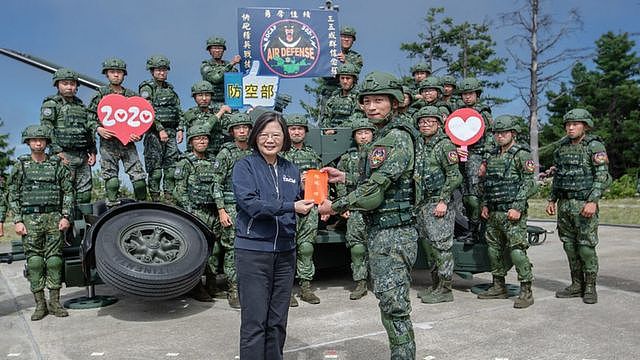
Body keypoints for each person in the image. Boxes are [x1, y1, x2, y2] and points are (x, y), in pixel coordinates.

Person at [319, 71, 419, 359]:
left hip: (393, 235)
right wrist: (345, 177)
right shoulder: (385, 136)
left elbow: (375, 190)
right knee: (390, 305)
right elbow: (382, 180)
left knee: (395, 307)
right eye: (367, 101)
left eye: (379, 100)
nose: (371, 106)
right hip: (384, 233)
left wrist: (335, 207)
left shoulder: (396, 138)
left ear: (395, 102)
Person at [232, 111, 314, 359]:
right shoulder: (244, 166)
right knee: (255, 321)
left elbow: (300, 203)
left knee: (277, 320)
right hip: (253, 252)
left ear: (285, 138)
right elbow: (251, 204)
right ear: (256, 136)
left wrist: (315, 197)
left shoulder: (291, 169)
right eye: (265, 134)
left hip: (285, 252)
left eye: (276, 134)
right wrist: (291, 206)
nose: (270, 140)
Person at [7, 125, 74, 321]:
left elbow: (68, 192)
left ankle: (55, 303)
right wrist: (17, 220)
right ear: (27, 142)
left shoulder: (56, 165)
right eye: (34, 140)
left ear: (47, 142)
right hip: (30, 219)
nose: (38, 143)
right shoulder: (20, 166)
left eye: (42, 140)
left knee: (54, 261)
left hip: (53, 217)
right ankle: (40, 305)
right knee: (35, 263)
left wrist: (65, 216)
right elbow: (12, 194)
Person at [546, 109, 611, 304]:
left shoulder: (594, 146)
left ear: (585, 125)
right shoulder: (562, 147)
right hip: (565, 204)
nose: (571, 127)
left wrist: (592, 201)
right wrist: (552, 199)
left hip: (584, 204)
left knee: (586, 246)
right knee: (569, 246)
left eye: (575, 124)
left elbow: (602, 176)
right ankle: (576, 284)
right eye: (568, 124)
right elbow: (559, 176)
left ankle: (590, 286)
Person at [477, 115, 537, 308]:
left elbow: (530, 183)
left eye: (504, 133)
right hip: (494, 212)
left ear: (513, 133)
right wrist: (486, 204)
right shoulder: (492, 155)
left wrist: (517, 207)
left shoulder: (521, 154)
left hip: (512, 213)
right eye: (497, 133)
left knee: (517, 251)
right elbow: (488, 183)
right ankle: (498, 286)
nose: (500, 136)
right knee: (493, 251)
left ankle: (526, 291)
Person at [413, 106, 462, 304]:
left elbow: (454, 176)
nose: (425, 125)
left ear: (438, 124)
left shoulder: (445, 145)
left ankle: (445, 288)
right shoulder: (421, 145)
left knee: (441, 247)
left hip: (438, 203)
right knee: (429, 246)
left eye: (430, 121)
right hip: (423, 204)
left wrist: (443, 200)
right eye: (422, 122)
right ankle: (435, 284)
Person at [88, 57, 147, 206]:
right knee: (112, 180)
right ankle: (112, 206)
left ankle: (143, 206)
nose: (116, 75)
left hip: (128, 144)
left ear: (124, 75)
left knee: (139, 180)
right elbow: (89, 117)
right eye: (112, 72)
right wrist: (98, 128)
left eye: (119, 72)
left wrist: (139, 134)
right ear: (107, 74)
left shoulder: (132, 96)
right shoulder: (101, 94)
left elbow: (143, 118)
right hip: (108, 144)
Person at [172, 125, 220, 302]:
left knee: (214, 250)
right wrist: (189, 212)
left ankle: (212, 284)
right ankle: (196, 286)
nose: (202, 141)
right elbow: (180, 189)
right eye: (198, 138)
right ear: (191, 141)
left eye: (205, 138)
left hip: (213, 210)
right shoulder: (185, 162)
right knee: (199, 251)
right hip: (196, 212)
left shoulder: (213, 161)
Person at [212, 113, 253, 308]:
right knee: (232, 249)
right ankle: (233, 289)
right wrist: (221, 210)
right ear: (232, 132)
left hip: (252, 207)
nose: (242, 130)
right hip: (231, 205)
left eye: (245, 127)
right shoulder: (226, 153)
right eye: (238, 128)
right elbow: (217, 183)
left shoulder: (255, 152)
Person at [282, 114, 323, 306]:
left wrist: (323, 202)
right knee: (287, 249)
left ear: (305, 132)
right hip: (287, 207)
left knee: (306, 248)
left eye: (300, 128)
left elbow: (321, 181)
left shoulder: (312, 154)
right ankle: (286, 290)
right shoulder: (281, 156)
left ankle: (306, 288)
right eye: (292, 128)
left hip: (310, 206)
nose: (296, 132)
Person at [40, 68, 96, 207]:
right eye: (65, 83)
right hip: (63, 155)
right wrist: (58, 151)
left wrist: (92, 151)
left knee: (85, 194)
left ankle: (83, 226)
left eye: (72, 84)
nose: (69, 87)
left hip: (82, 156)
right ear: (57, 84)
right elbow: (47, 129)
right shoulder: (52, 104)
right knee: (63, 193)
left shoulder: (81, 105)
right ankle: (64, 227)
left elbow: (88, 129)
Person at [335, 117, 376, 300]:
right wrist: (343, 204)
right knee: (357, 246)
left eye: (367, 132)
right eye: (360, 133)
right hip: (355, 207)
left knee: (378, 246)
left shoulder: (379, 154)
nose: (364, 136)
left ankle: (378, 280)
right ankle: (360, 282)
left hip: (376, 207)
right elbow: (339, 184)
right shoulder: (347, 158)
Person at [139, 55, 184, 202]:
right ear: (152, 71)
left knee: (171, 169)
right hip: (154, 134)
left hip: (171, 132)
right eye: (158, 70)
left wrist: (180, 128)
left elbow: (178, 109)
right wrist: (159, 129)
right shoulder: (147, 88)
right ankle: (155, 200)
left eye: (164, 70)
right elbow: (147, 110)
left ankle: (169, 200)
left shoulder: (170, 90)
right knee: (155, 170)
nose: (161, 73)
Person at [456, 77, 494, 244]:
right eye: (464, 94)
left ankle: (477, 231)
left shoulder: (483, 112)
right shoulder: (458, 113)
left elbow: (490, 138)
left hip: (477, 156)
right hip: (461, 156)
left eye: (470, 93)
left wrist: (485, 161)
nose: (467, 97)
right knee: (464, 197)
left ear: (477, 94)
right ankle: (470, 229)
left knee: (474, 197)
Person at [183, 80, 232, 158]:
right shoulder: (190, 114)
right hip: (199, 156)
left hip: (219, 153)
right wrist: (220, 113)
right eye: (200, 95)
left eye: (207, 95)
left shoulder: (215, 111)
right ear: (195, 97)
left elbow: (231, 125)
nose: (204, 98)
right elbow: (203, 129)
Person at [200, 36, 241, 110]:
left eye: (220, 48)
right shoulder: (206, 65)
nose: (217, 50)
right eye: (214, 48)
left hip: (229, 103)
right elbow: (216, 78)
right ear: (209, 50)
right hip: (211, 104)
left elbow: (236, 80)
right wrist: (232, 63)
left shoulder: (228, 65)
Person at [320, 62, 363, 130]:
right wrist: (327, 130)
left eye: (348, 78)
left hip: (350, 133)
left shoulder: (359, 96)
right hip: (331, 134)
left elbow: (356, 118)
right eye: (342, 78)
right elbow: (326, 117)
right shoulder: (334, 96)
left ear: (354, 80)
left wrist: (336, 130)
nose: (345, 81)